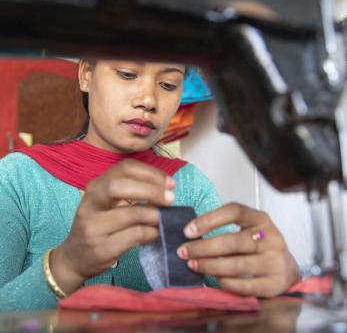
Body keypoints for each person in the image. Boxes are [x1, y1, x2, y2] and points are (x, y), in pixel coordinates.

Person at [0, 59, 300, 311]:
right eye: (128, 74)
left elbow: (245, 284)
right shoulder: (18, 178)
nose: (149, 100)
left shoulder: (190, 186)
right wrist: (65, 265)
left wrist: (279, 271)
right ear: (86, 75)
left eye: (168, 84)